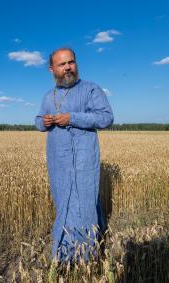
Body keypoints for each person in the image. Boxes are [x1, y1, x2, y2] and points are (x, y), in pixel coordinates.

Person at [35, 47, 113, 262]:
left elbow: (106, 118)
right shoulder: (48, 96)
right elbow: (38, 122)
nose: (68, 67)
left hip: (84, 158)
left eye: (71, 62)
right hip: (57, 160)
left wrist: (72, 118)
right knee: (63, 203)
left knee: (85, 202)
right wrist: (44, 122)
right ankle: (63, 255)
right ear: (52, 69)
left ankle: (87, 256)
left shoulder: (91, 89)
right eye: (62, 64)